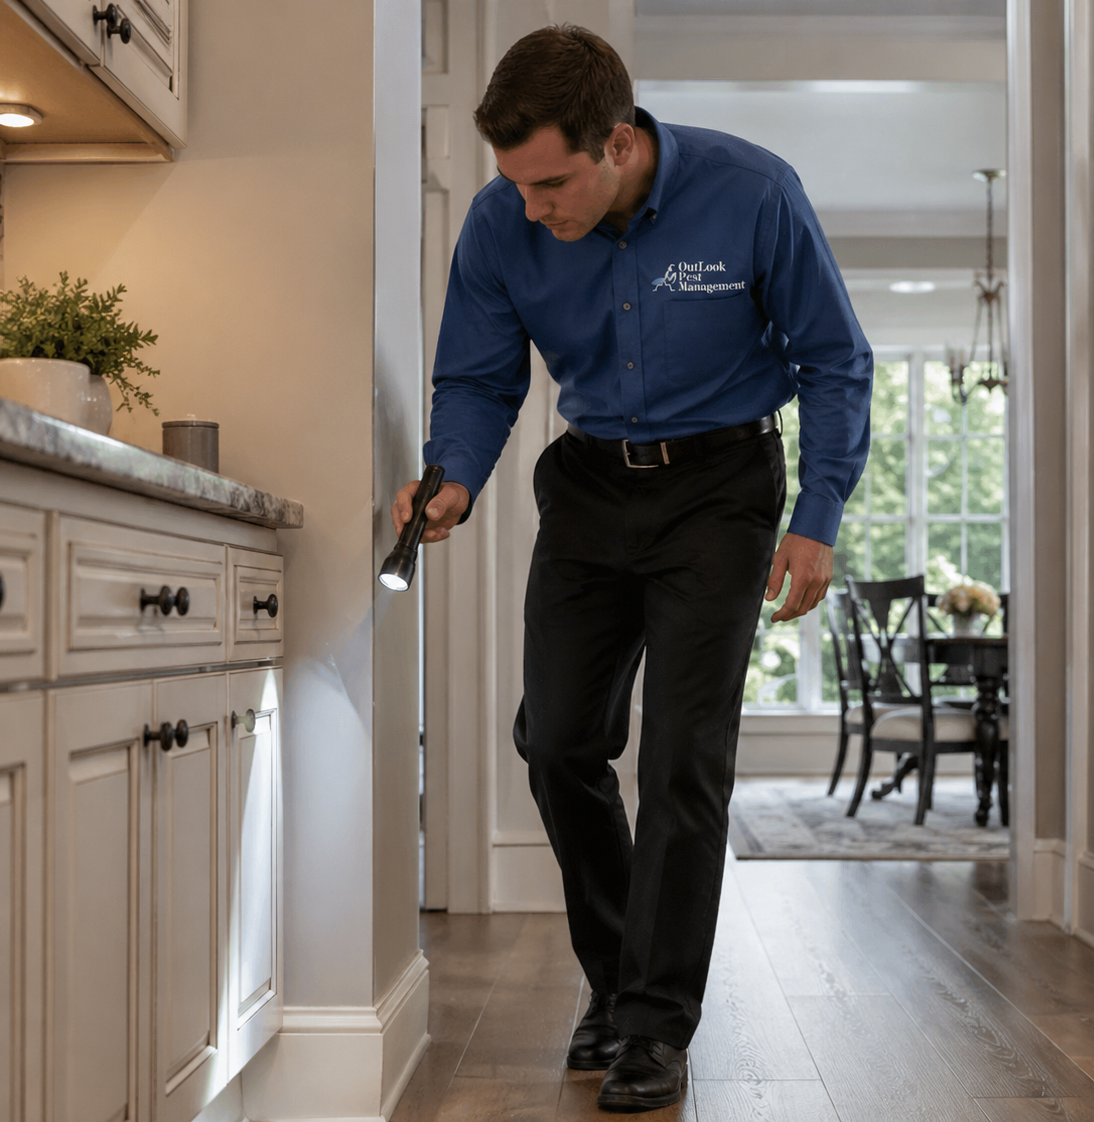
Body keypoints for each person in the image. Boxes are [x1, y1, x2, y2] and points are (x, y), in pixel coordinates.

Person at [393, 24, 872, 1113]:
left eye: (552, 183)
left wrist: (820, 513)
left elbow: (833, 359)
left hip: (721, 489)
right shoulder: (498, 222)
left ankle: (655, 1024)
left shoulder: (750, 191)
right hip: (592, 488)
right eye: (515, 185)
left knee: (681, 759)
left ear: (619, 143)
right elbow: (475, 377)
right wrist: (452, 475)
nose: (532, 208)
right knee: (556, 740)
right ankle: (615, 982)